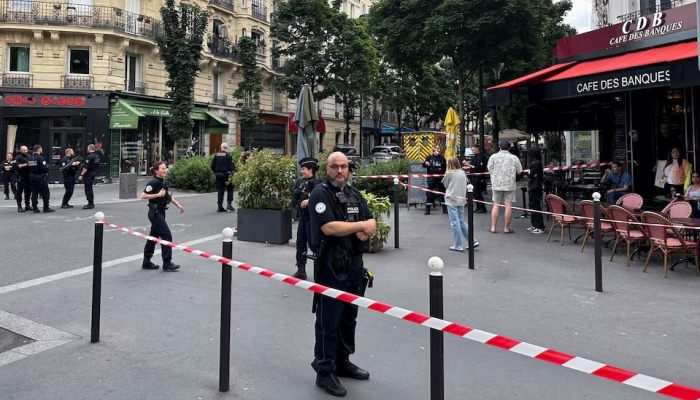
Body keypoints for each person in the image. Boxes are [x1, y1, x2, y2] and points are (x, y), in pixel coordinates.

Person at [308, 151, 376, 397]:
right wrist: (361, 227)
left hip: (354, 266)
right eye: (335, 166)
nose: (340, 170)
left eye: (344, 166)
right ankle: (324, 371)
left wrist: (369, 228)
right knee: (329, 321)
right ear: (327, 169)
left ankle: (342, 361)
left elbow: (370, 220)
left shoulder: (353, 193)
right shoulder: (320, 193)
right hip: (331, 266)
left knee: (349, 317)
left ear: (349, 168)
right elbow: (329, 227)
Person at [140, 161, 185, 271]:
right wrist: (157, 195)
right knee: (166, 235)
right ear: (156, 171)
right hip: (155, 212)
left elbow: (167, 196)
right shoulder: (153, 182)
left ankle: (146, 261)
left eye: (166, 168)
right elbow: (143, 195)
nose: (165, 170)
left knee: (153, 237)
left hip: (160, 211)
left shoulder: (162, 182)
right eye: (162, 169)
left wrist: (177, 204)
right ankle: (167, 262)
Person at [292, 157, 321, 280]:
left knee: (314, 245)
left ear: (310, 170)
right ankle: (301, 269)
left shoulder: (318, 184)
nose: (302, 171)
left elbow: (322, 199)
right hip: (303, 217)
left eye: (304, 169)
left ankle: (320, 271)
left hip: (313, 219)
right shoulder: (301, 181)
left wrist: (310, 200)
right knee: (300, 243)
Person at [443, 156, 479, 251]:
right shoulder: (462, 173)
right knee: (461, 221)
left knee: (455, 222)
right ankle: (472, 240)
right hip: (461, 198)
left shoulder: (449, 173)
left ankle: (458, 244)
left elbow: (445, 185)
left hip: (451, 199)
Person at [487, 140, 522, 234]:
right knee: (508, 205)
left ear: (499, 147)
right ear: (509, 147)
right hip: (509, 184)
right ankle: (506, 228)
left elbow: (489, 169)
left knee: (496, 204)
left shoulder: (493, 157)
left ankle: (493, 227)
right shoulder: (514, 158)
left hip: (496, 184)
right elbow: (519, 171)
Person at [653, 122, 684, 189]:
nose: (664, 130)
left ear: (669, 128)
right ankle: (661, 193)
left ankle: (667, 192)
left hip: (669, 161)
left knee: (667, 178)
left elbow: (672, 151)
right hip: (660, 161)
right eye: (662, 128)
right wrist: (656, 164)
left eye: (666, 128)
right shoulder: (659, 138)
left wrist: (669, 162)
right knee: (660, 181)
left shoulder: (673, 138)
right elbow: (658, 151)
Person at [27, 145, 54, 213]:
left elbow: (29, 167)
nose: (42, 150)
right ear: (39, 150)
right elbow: (44, 168)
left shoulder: (30, 158)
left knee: (34, 192)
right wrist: (47, 168)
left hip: (32, 176)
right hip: (40, 177)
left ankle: (35, 208)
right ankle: (46, 207)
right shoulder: (40, 158)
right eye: (41, 149)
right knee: (45, 192)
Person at [211, 143, 236, 212]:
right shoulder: (228, 156)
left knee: (220, 190)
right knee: (230, 189)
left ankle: (219, 206)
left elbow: (212, 165)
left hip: (218, 175)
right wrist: (233, 173)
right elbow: (231, 167)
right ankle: (229, 204)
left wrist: (215, 172)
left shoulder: (216, 155)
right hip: (226, 175)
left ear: (221, 147)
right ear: (226, 148)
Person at [526, 148, 546, 234]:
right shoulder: (535, 163)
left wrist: (530, 174)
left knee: (536, 205)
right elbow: (532, 174)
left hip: (536, 186)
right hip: (533, 185)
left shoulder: (537, 163)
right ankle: (534, 224)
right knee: (532, 205)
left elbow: (531, 174)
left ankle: (539, 225)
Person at [423, 145, 447, 215]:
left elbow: (444, 168)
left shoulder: (442, 158)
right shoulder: (429, 157)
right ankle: (428, 209)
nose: (439, 150)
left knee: (442, 192)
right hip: (431, 177)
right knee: (429, 192)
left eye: (439, 148)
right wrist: (426, 163)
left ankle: (444, 209)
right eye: (437, 148)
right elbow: (423, 165)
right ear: (434, 149)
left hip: (440, 178)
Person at [78, 144, 99, 209]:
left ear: (89, 148)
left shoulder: (89, 157)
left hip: (88, 174)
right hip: (93, 172)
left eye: (87, 148)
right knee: (90, 188)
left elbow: (86, 167)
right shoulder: (97, 156)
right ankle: (91, 202)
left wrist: (81, 175)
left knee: (88, 189)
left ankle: (90, 203)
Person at [468, 146, 488, 213]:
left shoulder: (481, 157)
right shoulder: (474, 157)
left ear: (477, 149)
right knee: (475, 193)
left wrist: (469, 165)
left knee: (477, 192)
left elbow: (479, 167)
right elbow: (472, 165)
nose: (472, 151)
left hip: (479, 177)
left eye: (473, 150)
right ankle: (478, 206)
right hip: (474, 177)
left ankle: (482, 207)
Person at [13, 146, 32, 212]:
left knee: (28, 192)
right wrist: (26, 164)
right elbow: (16, 166)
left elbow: (32, 163)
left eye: (26, 150)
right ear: (21, 150)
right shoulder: (18, 157)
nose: (25, 151)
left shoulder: (29, 156)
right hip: (21, 177)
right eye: (24, 150)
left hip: (28, 176)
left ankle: (27, 205)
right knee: (19, 193)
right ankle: (19, 206)